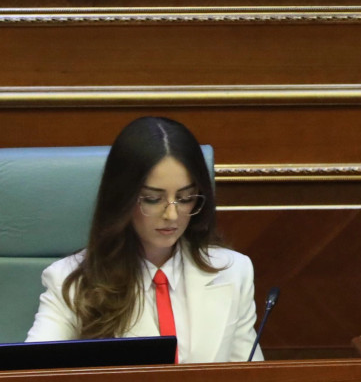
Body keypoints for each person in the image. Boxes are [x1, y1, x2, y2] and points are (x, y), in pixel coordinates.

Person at [26, 116, 262, 362]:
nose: (172, 215)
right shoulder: (71, 282)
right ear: (122, 198)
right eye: (152, 199)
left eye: (185, 198)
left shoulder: (234, 272)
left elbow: (250, 380)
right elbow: (31, 374)